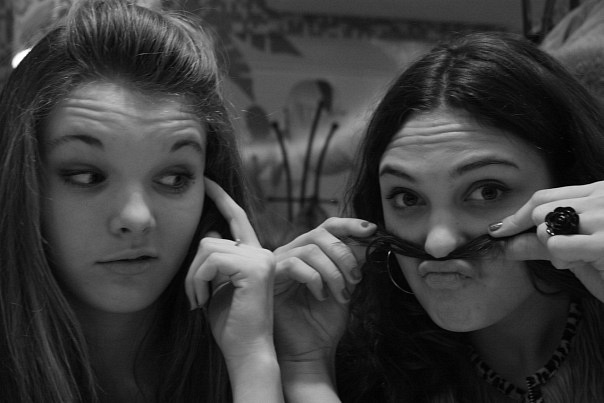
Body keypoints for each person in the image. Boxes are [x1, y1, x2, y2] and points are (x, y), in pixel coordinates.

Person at [273, 31, 604, 402]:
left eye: (487, 192)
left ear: (569, 184)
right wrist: (306, 367)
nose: (438, 244)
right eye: (407, 198)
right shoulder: (363, 362)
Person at [0, 1, 283, 402]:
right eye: (87, 176)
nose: (136, 217)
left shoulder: (280, 352)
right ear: (22, 180)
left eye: (173, 178)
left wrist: (253, 363)